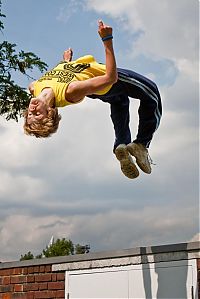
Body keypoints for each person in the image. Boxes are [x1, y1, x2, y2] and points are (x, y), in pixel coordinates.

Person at [24, 20, 162, 179]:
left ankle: (122, 145)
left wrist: (65, 62)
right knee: (152, 93)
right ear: (49, 113)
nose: (33, 110)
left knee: (120, 101)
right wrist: (107, 40)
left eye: (30, 114)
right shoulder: (70, 91)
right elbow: (111, 77)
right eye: (38, 115)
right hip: (105, 79)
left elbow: (58, 76)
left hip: (93, 87)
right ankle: (141, 145)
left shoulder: (35, 87)